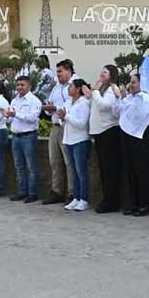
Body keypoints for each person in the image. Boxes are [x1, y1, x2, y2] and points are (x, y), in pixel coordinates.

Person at [114, 74, 149, 216]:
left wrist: (125, 100)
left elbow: (138, 113)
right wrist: (121, 98)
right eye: (131, 83)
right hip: (127, 134)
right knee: (129, 169)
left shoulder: (145, 98)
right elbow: (116, 111)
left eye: (134, 82)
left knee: (141, 170)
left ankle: (143, 204)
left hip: (140, 134)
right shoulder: (128, 98)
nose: (132, 85)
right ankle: (133, 203)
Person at [85, 64, 123, 214]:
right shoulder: (101, 90)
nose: (101, 73)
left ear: (112, 75)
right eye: (101, 71)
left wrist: (94, 91)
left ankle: (112, 201)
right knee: (104, 168)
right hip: (99, 132)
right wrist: (92, 93)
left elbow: (103, 106)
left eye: (105, 72)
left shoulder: (112, 90)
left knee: (110, 169)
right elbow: (93, 104)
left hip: (108, 132)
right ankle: (107, 198)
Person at [41, 59, 79, 205]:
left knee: (69, 161)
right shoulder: (56, 87)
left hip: (68, 126)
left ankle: (72, 192)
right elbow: (52, 104)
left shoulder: (75, 85)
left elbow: (72, 105)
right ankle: (56, 191)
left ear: (69, 71)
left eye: (60, 71)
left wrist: (55, 108)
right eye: (57, 72)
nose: (58, 75)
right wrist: (50, 108)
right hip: (55, 125)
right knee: (54, 160)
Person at [5, 76, 43, 203]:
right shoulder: (15, 100)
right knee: (19, 166)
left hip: (28, 136)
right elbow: (10, 118)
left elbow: (32, 118)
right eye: (18, 85)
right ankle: (22, 191)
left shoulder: (34, 101)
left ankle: (33, 193)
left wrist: (16, 114)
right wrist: (6, 115)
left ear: (29, 86)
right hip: (16, 136)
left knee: (31, 166)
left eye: (22, 85)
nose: (19, 87)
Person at [60, 79, 93, 212]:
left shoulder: (83, 103)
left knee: (81, 171)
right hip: (68, 139)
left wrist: (66, 116)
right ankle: (76, 197)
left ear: (78, 89)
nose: (69, 89)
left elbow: (81, 123)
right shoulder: (68, 102)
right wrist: (62, 118)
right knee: (73, 171)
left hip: (80, 140)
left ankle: (84, 199)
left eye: (71, 86)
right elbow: (63, 122)